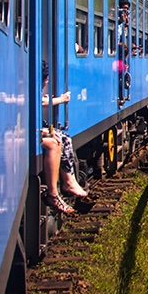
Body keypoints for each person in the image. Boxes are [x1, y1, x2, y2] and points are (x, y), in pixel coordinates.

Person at [41, 61, 87, 213]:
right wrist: (62, 99)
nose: (47, 81)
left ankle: (70, 180)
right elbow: (41, 102)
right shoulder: (31, 88)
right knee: (57, 141)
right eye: (46, 79)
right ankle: (58, 190)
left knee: (65, 138)